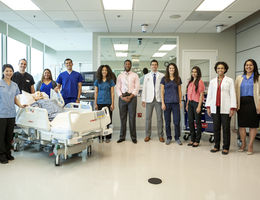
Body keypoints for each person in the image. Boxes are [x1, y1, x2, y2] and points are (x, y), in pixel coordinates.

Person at [205, 62, 236, 155]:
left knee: (226, 128)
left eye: (222, 68)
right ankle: (216, 146)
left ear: (225, 69)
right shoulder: (212, 81)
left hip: (226, 107)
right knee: (216, 128)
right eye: (218, 68)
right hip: (215, 107)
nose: (220, 70)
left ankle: (226, 147)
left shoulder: (229, 80)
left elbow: (233, 94)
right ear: (216, 70)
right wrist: (208, 106)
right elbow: (210, 94)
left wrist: (232, 108)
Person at [0, 64, 25, 164]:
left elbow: (15, 98)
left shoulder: (14, 85)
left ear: (13, 72)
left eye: (10, 71)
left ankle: (7, 152)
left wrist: (21, 105)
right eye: (6, 71)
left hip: (11, 113)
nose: (9, 73)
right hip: (1, 114)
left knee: (9, 135)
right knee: (1, 135)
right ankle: (1, 154)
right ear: (3, 72)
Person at [235, 59, 260, 155]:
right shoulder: (239, 78)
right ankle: (243, 143)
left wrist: (259, 105)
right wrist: (235, 104)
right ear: (244, 66)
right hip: (241, 103)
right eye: (246, 65)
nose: (248, 67)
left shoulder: (258, 78)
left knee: (253, 125)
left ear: (254, 66)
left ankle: (250, 145)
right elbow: (235, 92)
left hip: (253, 103)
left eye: (251, 65)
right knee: (241, 125)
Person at [116, 60, 140, 144]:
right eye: (126, 64)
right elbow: (118, 87)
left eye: (129, 64)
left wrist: (131, 96)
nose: (127, 65)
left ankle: (133, 137)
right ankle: (122, 137)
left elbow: (137, 87)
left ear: (131, 65)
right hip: (122, 98)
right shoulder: (120, 75)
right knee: (123, 118)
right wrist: (121, 97)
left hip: (132, 98)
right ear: (124, 65)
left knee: (132, 118)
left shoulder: (135, 75)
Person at [142, 60, 164, 142]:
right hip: (149, 100)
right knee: (148, 118)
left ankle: (161, 136)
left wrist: (163, 99)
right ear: (150, 66)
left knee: (160, 118)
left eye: (155, 65)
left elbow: (163, 89)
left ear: (157, 66)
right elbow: (144, 88)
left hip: (158, 99)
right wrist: (143, 100)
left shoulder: (162, 75)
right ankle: (147, 135)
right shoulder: (146, 76)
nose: (154, 66)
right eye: (152, 65)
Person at [160, 63, 183, 145]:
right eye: (170, 68)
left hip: (176, 103)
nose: (171, 69)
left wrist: (180, 102)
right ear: (168, 69)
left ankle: (177, 137)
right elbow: (162, 91)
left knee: (176, 121)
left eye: (173, 68)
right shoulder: (164, 79)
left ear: (175, 69)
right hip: (167, 103)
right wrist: (163, 103)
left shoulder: (178, 79)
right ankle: (169, 137)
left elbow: (180, 91)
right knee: (167, 121)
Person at [94, 65, 115, 143]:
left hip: (108, 103)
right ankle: (100, 136)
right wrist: (95, 103)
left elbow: (112, 93)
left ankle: (108, 137)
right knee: (100, 120)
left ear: (108, 71)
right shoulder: (97, 81)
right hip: (99, 103)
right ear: (100, 71)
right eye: (103, 70)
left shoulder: (111, 81)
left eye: (106, 70)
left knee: (108, 120)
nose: (104, 71)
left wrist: (113, 104)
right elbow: (96, 92)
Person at [186, 66, 205, 147]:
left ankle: (197, 140)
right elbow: (188, 94)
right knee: (190, 121)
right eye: (192, 71)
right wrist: (187, 104)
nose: (194, 73)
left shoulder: (200, 82)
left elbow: (201, 95)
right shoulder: (190, 82)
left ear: (198, 73)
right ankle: (192, 139)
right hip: (190, 103)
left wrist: (199, 106)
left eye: (195, 72)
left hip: (197, 103)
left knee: (197, 122)